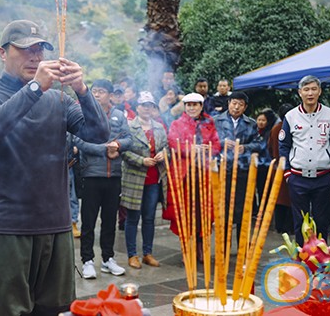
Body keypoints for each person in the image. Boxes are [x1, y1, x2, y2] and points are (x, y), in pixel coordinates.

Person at [0, 19, 109, 315]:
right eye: (26, 49)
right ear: (2, 53)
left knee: (56, 309)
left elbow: (98, 135)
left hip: (57, 225)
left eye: (40, 49)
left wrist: (81, 89)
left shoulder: (58, 99)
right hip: (9, 227)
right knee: (10, 310)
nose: (35, 56)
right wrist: (33, 88)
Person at [75, 79, 131, 280]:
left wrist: (117, 144)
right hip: (91, 175)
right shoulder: (84, 114)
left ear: (110, 95)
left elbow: (129, 139)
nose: (97, 95)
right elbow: (78, 140)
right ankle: (87, 260)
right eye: (94, 91)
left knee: (110, 221)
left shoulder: (118, 115)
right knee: (88, 221)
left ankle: (108, 259)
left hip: (113, 176)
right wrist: (103, 149)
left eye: (101, 91)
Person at [279, 75, 330, 246]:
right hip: (297, 177)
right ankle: (302, 258)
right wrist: (287, 173)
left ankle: (322, 258)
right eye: (306, 89)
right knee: (300, 221)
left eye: (314, 89)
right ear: (300, 93)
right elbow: (283, 146)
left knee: (322, 221)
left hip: (323, 177)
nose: (310, 93)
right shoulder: (291, 116)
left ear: (319, 91)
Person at [164, 92, 221, 263]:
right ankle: (186, 249)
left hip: (204, 176)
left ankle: (201, 249)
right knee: (184, 214)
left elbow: (217, 144)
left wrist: (208, 149)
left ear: (201, 106)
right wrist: (191, 149)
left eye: (195, 105)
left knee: (203, 213)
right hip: (184, 176)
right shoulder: (176, 123)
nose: (192, 108)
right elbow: (173, 142)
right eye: (189, 105)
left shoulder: (210, 123)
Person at [121, 91, 168, 269]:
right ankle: (132, 255)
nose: (147, 109)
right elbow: (123, 151)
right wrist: (141, 161)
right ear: (137, 107)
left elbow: (167, 146)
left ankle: (148, 253)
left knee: (149, 218)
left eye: (150, 106)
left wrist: (164, 154)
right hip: (135, 178)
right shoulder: (129, 127)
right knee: (132, 218)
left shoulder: (159, 127)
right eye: (143, 105)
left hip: (154, 180)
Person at [213, 92, 264, 245]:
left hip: (243, 171)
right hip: (222, 170)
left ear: (245, 107)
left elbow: (259, 144)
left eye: (240, 104)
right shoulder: (216, 120)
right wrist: (222, 143)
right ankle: (224, 248)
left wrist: (245, 148)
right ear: (228, 103)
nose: (236, 107)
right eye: (234, 103)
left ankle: (243, 247)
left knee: (243, 210)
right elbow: (208, 141)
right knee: (224, 210)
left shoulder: (251, 123)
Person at [268, 103, 294, 234]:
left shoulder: (275, 128)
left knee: (279, 199)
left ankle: (279, 226)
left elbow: (270, 148)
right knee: (291, 199)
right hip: (292, 167)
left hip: (278, 168)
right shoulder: (293, 128)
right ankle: (290, 228)